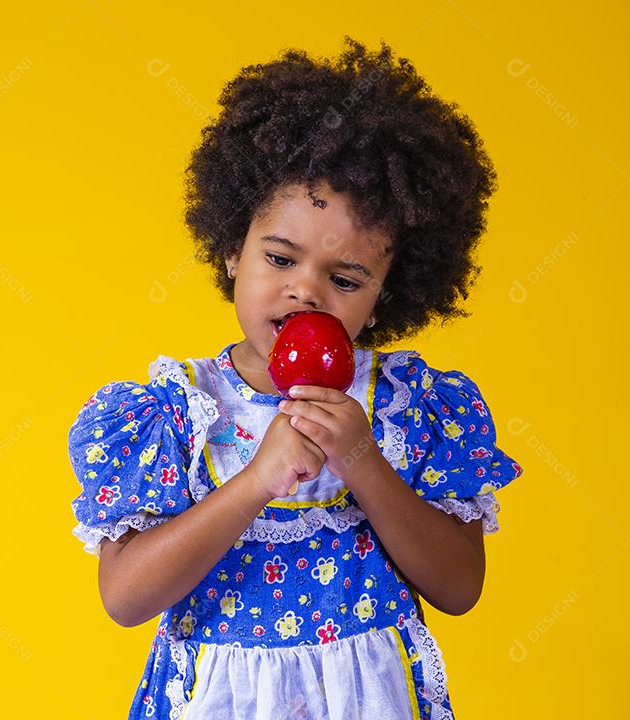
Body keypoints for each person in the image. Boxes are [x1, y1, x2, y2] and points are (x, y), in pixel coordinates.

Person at [65, 36, 523, 720]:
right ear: (230, 250)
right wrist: (256, 481)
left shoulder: (406, 406)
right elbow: (125, 598)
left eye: (344, 279)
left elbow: (459, 588)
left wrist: (362, 459)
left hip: (370, 700)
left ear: (388, 292)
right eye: (280, 259)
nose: (306, 292)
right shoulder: (178, 412)